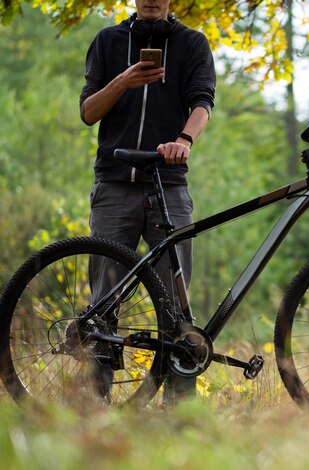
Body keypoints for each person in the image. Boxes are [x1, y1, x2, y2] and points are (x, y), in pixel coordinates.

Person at [80, 0, 216, 403]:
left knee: (176, 303)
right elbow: (89, 112)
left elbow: (203, 102)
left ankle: (179, 410)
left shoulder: (192, 43)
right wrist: (123, 80)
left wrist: (184, 140)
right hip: (114, 184)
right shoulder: (107, 40)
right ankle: (94, 404)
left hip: (169, 183)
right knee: (102, 300)